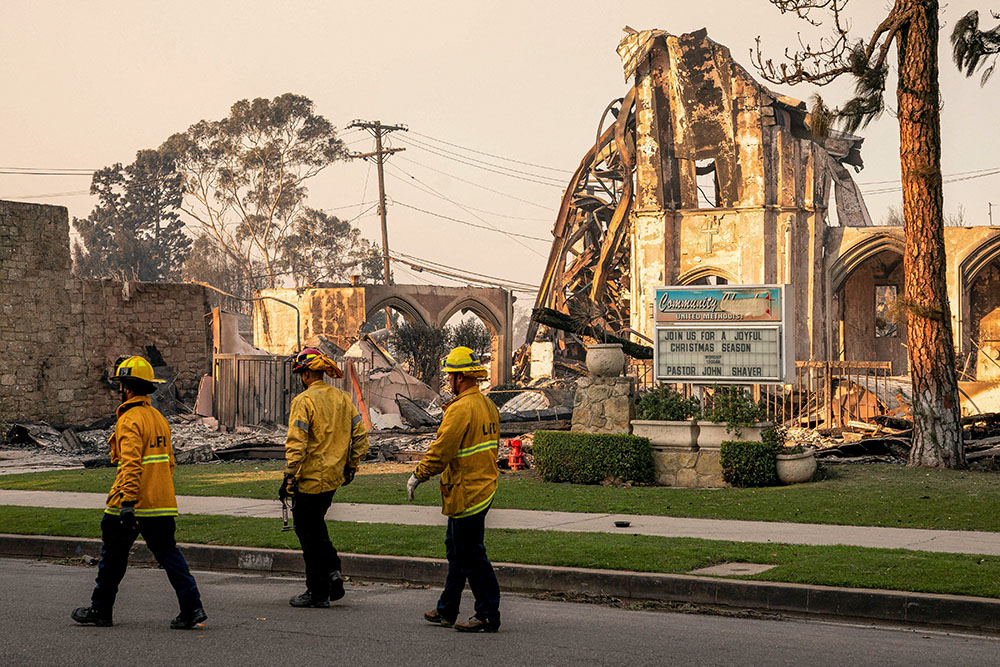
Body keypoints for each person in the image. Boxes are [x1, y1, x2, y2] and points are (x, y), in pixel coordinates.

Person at [72, 356, 206, 629]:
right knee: (170, 557)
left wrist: (128, 503)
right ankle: (192, 608)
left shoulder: (129, 419)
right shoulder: (158, 418)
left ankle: (101, 610)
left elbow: (131, 464)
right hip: (160, 502)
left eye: (121, 385)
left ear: (128, 388)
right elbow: (168, 462)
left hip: (130, 503)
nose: (120, 390)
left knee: (112, 560)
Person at [407, 346, 501, 633]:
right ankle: (447, 609)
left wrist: (417, 475)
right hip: (481, 487)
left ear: (460, 378)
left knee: (471, 556)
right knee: (458, 552)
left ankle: (487, 614)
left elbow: (441, 452)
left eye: (450, 375)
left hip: (467, 491)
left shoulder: (461, 409)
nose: (448, 380)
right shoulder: (487, 405)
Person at [280, 347, 369, 608]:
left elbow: (297, 444)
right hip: (333, 479)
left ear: (307, 374)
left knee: (307, 535)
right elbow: (361, 439)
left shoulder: (303, 402)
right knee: (316, 527)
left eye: (301, 374)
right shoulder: (343, 399)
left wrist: (288, 477)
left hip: (309, 480)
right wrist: (351, 466)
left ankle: (317, 592)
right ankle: (333, 571)